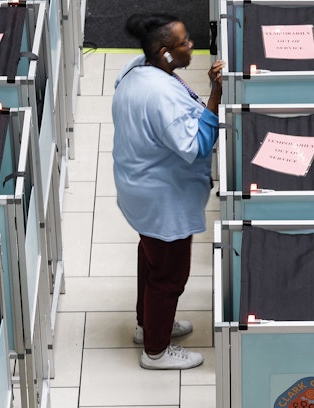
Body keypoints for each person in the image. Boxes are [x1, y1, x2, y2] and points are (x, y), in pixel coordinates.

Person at [112, 13, 224, 370]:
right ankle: (156, 351)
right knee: (169, 276)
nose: (191, 46)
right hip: (164, 200)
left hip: (140, 190)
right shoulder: (161, 96)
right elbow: (197, 144)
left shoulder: (136, 69)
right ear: (165, 52)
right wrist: (216, 94)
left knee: (151, 258)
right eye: (184, 43)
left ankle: (148, 325)